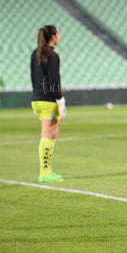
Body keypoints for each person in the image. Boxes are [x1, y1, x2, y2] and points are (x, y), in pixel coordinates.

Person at [30, 25, 66, 183]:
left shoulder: (35, 53)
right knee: (48, 135)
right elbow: (53, 80)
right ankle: (45, 173)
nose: (59, 36)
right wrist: (60, 99)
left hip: (38, 99)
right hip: (48, 100)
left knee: (51, 134)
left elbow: (35, 78)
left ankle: (47, 171)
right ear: (53, 37)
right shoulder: (52, 55)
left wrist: (37, 95)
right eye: (58, 34)